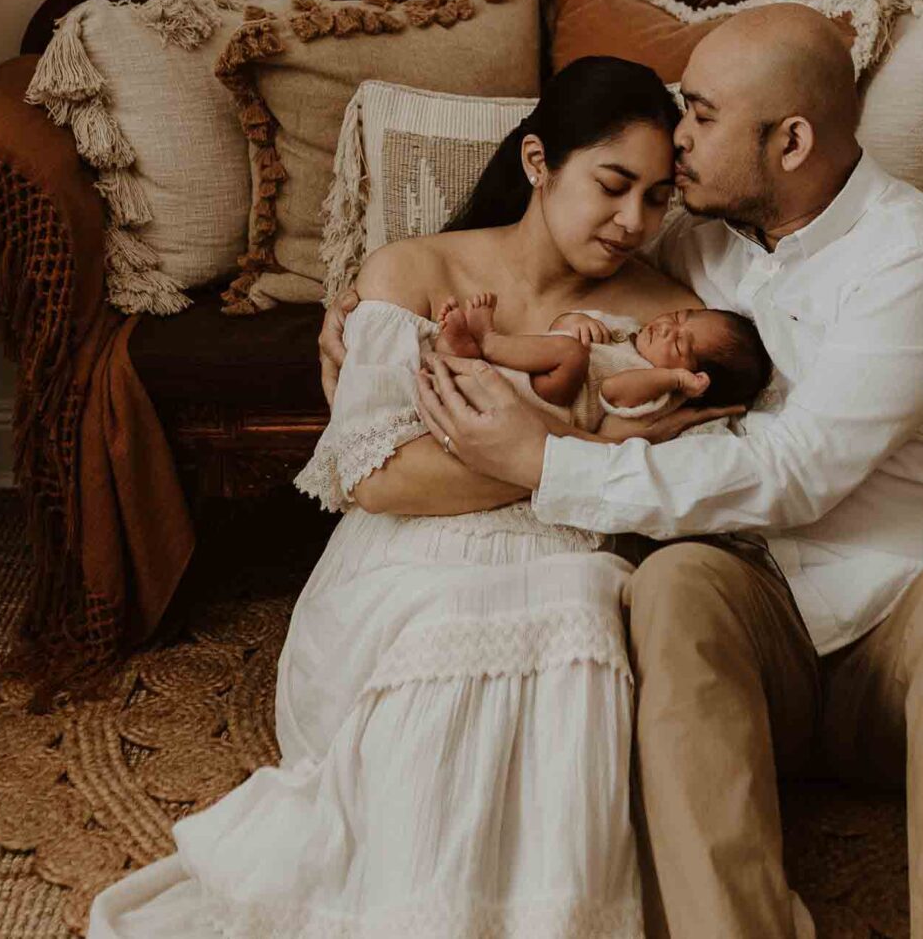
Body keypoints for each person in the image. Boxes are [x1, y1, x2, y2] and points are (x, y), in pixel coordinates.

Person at [410, 5, 923, 938]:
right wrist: (373, 298)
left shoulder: (918, 264)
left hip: (902, 643)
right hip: (760, 639)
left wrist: (545, 462)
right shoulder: (697, 235)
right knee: (673, 580)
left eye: (704, 116)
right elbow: (546, 255)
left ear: (790, 141)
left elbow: (794, 472)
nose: (679, 140)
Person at [87, 57, 730, 939]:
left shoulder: (669, 313)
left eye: (659, 199)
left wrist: (506, 448)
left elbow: (685, 469)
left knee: (578, 610)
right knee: (449, 633)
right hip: (404, 559)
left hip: (569, 552)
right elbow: (378, 478)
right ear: (539, 162)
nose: (633, 222)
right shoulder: (414, 273)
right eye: (613, 185)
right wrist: (584, 451)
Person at [431, 289, 775, 426]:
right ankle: (465, 351)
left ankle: (489, 341)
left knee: (571, 352)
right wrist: (574, 321)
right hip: (530, 372)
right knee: (566, 343)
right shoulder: (627, 330)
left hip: (558, 403)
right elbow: (557, 328)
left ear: (694, 380)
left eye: (682, 345)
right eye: (680, 316)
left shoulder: (661, 391)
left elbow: (613, 392)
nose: (669, 328)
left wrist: (672, 381)